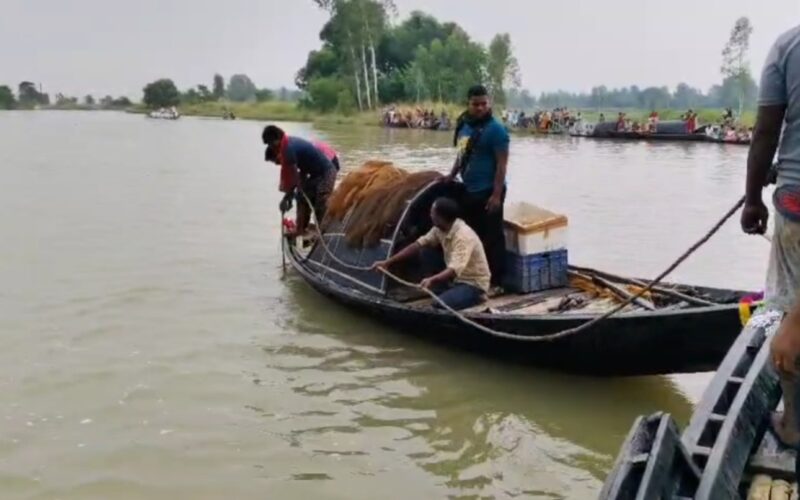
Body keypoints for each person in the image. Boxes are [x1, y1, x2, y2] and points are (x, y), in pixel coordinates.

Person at [740, 25, 800, 480]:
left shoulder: (788, 45)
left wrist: (752, 198)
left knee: (788, 316)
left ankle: (794, 424)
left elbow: (766, 130)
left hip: (796, 199)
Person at [372, 197, 490, 310]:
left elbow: (454, 269)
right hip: (455, 279)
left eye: (432, 213)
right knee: (425, 251)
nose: (430, 215)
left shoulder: (463, 236)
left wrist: (432, 279)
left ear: (441, 217)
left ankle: (477, 297)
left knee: (439, 304)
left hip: (472, 284)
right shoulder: (439, 229)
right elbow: (418, 244)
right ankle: (446, 290)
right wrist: (387, 262)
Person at [444, 85, 509, 291]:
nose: (480, 108)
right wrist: (451, 175)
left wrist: (497, 195)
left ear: (489, 103)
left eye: (484, 104)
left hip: (489, 191)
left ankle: (497, 282)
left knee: (493, 237)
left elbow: (502, 165)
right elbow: (462, 154)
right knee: (471, 235)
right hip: (469, 190)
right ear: (468, 104)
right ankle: (472, 276)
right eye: (475, 104)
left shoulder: (496, 130)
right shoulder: (464, 125)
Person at [262, 125, 337, 235]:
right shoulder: (287, 145)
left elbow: (293, 178)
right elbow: (300, 174)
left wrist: (287, 198)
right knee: (301, 197)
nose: (271, 146)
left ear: (278, 138)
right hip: (315, 175)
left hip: (327, 172)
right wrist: (292, 195)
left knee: (321, 199)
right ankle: (301, 229)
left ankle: (323, 232)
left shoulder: (289, 149)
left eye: (271, 143)